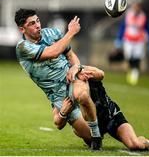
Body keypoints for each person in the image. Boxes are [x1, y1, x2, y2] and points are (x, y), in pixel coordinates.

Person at [14, 8, 101, 150]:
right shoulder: (22, 48)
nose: (37, 25)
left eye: (38, 21)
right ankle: (79, 126)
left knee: (98, 76)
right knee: (90, 137)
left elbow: (71, 55)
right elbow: (52, 52)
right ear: (22, 29)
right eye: (31, 23)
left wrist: (76, 67)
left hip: (73, 80)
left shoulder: (53, 33)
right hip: (60, 97)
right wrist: (71, 32)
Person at [56, 65, 149, 151]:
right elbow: (58, 123)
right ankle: (94, 138)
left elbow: (101, 74)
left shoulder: (81, 70)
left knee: (134, 145)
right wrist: (63, 112)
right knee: (77, 128)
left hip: (109, 115)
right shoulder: (58, 88)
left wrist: (82, 69)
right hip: (90, 124)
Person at [114, 3, 149, 85]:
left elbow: (148, 29)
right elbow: (123, 27)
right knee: (129, 56)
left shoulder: (143, 16)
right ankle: (131, 69)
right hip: (128, 40)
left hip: (139, 41)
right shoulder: (128, 15)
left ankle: (135, 73)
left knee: (137, 58)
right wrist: (119, 38)